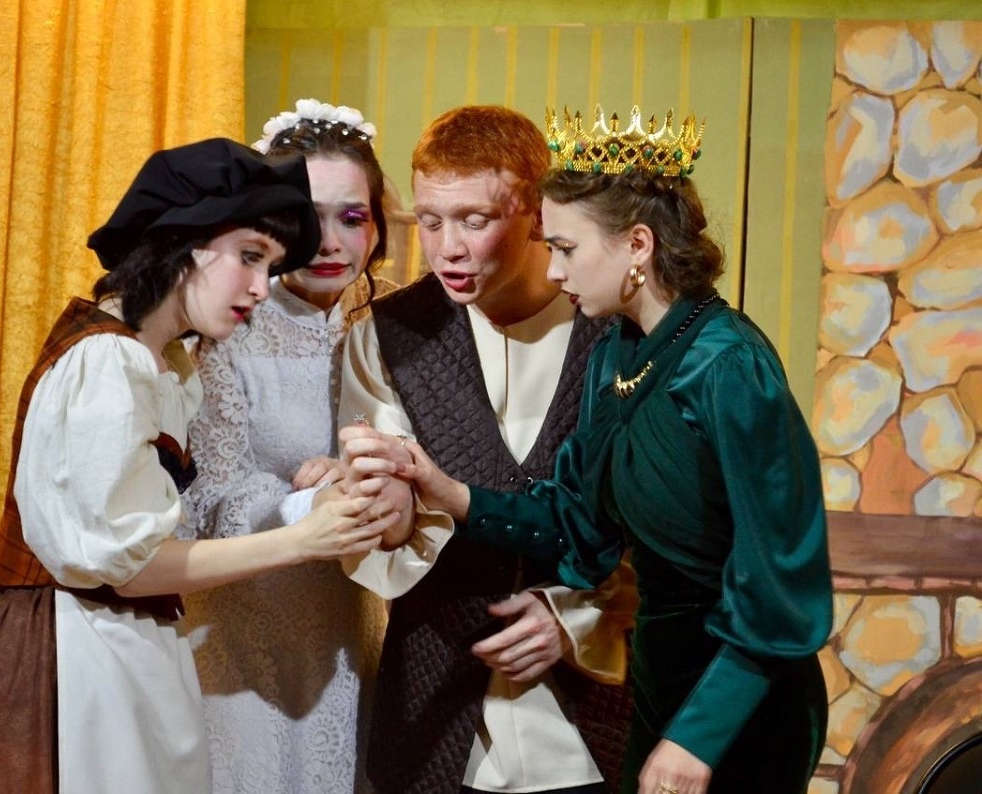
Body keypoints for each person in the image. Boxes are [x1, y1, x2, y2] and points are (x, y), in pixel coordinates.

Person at [347, 106, 833, 794]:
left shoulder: (729, 367)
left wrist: (695, 741)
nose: (553, 268)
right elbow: (575, 521)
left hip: (734, 702)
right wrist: (449, 494)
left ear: (637, 246)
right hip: (659, 690)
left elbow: (782, 591)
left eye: (565, 248)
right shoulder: (619, 354)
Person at [0, 138, 400, 794]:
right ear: (184, 243)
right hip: (78, 652)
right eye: (249, 257)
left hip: (125, 645)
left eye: (269, 266)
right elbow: (129, 568)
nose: (260, 288)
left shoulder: (161, 359)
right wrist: (302, 538)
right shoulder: (108, 360)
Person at [336, 105, 636, 794]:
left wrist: (580, 619)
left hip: (594, 725)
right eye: (430, 220)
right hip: (434, 720)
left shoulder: (618, 330)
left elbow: (670, 527)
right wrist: (369, 503)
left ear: (536, 214)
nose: (447, 247)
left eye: (475, 220)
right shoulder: (384, 336)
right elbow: (385, 538)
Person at [177, 99, 397, 794]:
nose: (329, 242)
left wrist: (382, 471)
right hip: (244, 632)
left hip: (351, 628)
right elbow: (206, 501)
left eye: (352, 218)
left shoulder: (395, 322)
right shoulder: (228, 325)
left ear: (377, 225)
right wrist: (310, 504)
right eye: (306, 217)